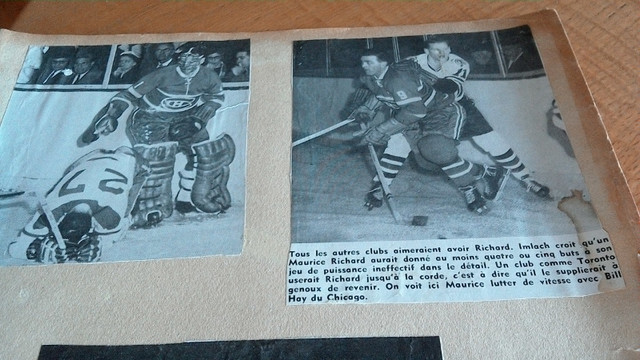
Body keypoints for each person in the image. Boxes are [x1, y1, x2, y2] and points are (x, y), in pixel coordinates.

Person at [78, 42, 234, 227]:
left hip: (185, 118)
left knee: (207, 153)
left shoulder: (209, 76)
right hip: (150, 119)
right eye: (183, 57)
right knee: (156, 161)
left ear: (201, 59)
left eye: (192, 58)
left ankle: (189, 198)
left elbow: (215, 98)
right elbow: (127, 95)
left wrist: (199, 118)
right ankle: (143, 205)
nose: (186, 61)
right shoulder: (163, 74)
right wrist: (112, 116)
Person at [354, 49, 508, 214]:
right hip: (410, 115)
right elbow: (379, 92)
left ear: (383, 63)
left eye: (369, 62)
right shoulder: (372, 76)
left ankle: (469, 189)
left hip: (439, 113)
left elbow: (415, 111)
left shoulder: (399, 77)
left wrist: (380, 130)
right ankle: (485, 171)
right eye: (363, 62)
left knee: (437, 150)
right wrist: (366, 109)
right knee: (423, 161)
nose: (363, 65)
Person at [408, 35, 550, 197]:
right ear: (426, 51)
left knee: (492, 141)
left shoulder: (457, 63)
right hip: (432, 113)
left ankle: (526, 178)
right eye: (436, 49)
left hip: (461, 108)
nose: (442, 53)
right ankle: (483, 172)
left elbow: (449, 86)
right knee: (430, 158)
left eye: (445, 49)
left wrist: (417, 79)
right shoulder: (412, 63)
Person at [7, 146, 149, 264]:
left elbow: (16, 248)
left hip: (111, 158)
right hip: (93, 159)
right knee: (120, 212)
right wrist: (32, 250)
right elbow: (14, 249)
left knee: (127, 213)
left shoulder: (53, 209)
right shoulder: (52, 210)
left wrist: (33, 249)